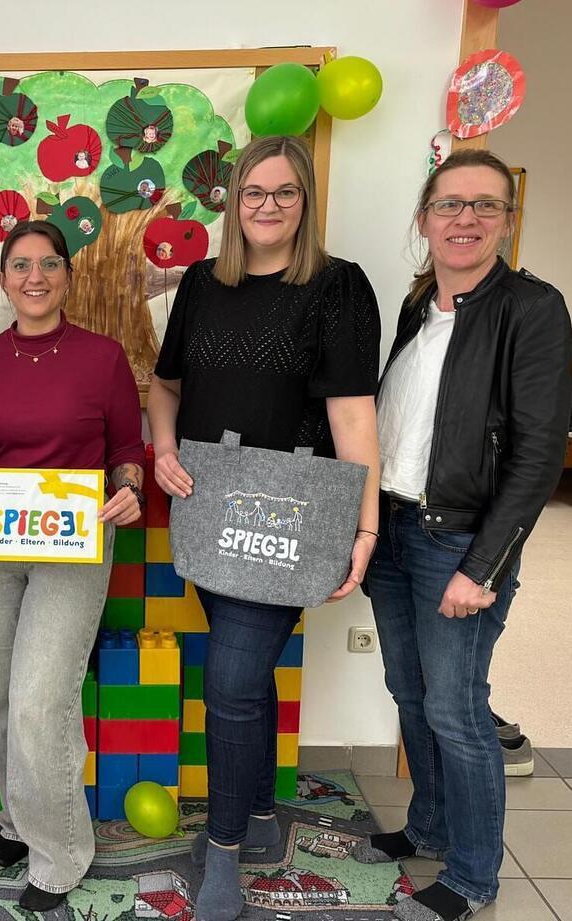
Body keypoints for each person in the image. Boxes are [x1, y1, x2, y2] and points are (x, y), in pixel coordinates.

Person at [146, 135, 381, 921]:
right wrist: (163, 446)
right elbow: (165, 385)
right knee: (246, 691)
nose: (267, 206)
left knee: (233, 684)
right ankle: (256, 815)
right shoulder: (202, 285)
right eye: (253, 193)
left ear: (305, 200)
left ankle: (219, 853)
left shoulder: (340, 288)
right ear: (233, 202)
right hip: (210, 510)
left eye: (284, 192)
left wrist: (364, 526)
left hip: (289, 517)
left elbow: (353, 414)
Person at [353, 149, 571, 921]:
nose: (466, 219)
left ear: (508, 222)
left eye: (485, 205)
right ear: (424, 219)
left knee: (456, 710)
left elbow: (541, 449)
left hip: (459, 541)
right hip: (398, 527)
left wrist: (482, 566)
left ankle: (475, 875)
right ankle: (429, 826)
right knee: (408, 693)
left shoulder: (533, 308)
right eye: (450, 205)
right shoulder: (422, 309)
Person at [0, 220, 145, 912]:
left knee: (39, 703)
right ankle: (18, 819)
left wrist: (131, 488)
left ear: (67, 275)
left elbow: (127, 449)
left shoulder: (104, 356)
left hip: (76, 544)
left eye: (49, 263)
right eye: (20, 264)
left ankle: (59, 854)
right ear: (2, 278)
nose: (35, 276)